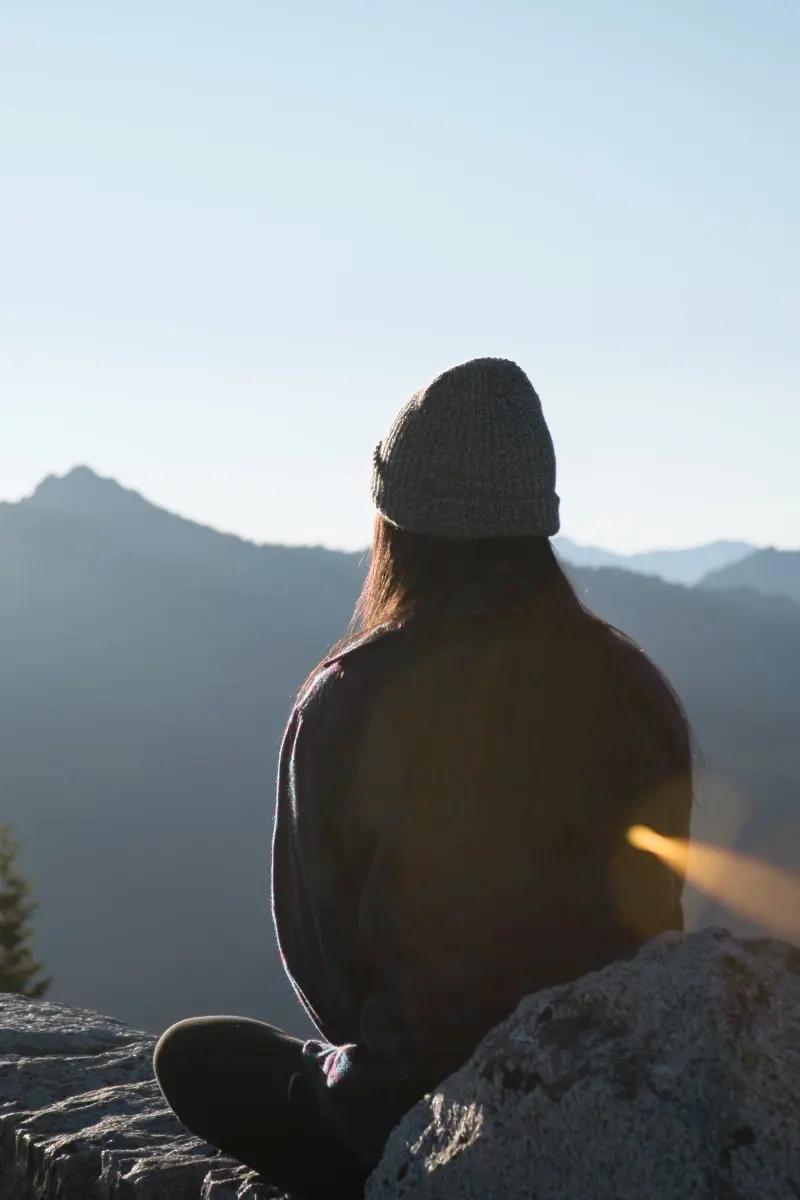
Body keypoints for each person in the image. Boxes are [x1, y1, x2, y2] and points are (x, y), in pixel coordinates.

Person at [153, 358, 693, 1198]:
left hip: (418, 1110)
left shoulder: (350, 696)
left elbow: (323, 954)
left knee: (196, 1055)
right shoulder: (632, 688)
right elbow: (657, 917)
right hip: (613, 1084)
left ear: (396, 521)